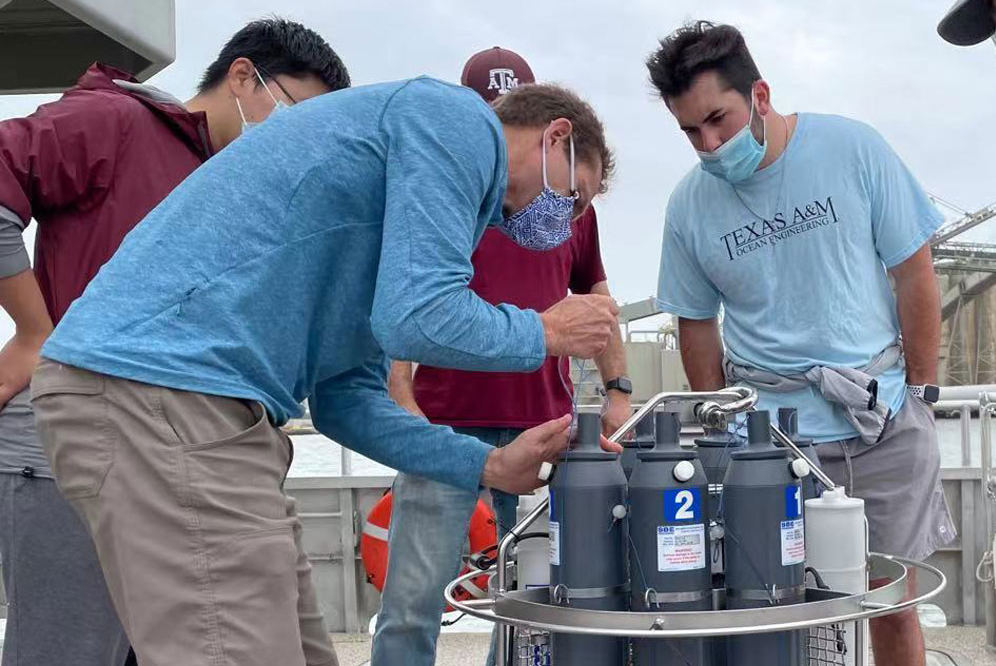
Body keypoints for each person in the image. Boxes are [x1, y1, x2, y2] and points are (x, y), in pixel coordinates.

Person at [29, 74, 620, 666]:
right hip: (162, 392)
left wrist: (488, 464)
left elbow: (347, 401)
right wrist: (547, 331)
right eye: (576, 197)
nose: (564, 223)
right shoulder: (456, 119)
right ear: (555, 137)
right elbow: (419, 316)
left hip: (200, 410)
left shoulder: (398, 216)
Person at [0, 17, 349, 666]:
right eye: (297, 115)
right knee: (64, 651)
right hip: (70, 436)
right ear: (243, 76)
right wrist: (32, 330)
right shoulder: (116, 122)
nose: (299, 142)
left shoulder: (243, 186)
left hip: (175, 459)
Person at [646, 22, 954, 666]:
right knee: (773, 609)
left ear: (759, 94)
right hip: (769, 445)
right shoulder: (689, 206)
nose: (708, 145)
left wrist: (922, 392)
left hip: (883, 420)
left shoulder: (852, 148)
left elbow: (913, 268)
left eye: (718, 121)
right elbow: (696, 324)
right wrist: (717, 425)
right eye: (689, 132)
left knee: (888, 602)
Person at [375, 47, 629, 666]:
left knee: (532, 600)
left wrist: (618, 390)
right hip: (444, 424)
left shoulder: (569, 208)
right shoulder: (442, 188)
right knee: (412, 599)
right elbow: (403, 309)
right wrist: (405, 408)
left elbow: (597, 303)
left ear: (547, 134)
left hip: (545, 426)